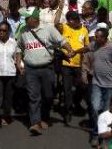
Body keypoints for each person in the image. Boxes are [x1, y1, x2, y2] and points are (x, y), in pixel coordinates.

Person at [15, 7, 75, 135]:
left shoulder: (48, 29)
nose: (25, 20)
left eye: (27, 18)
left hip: (47, 68)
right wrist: (19, 63)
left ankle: (44, 116)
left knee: (48, 95)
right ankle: (35, 123)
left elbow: (62, 41)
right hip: (30, 69)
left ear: (34, 19)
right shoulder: (24, 31)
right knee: (33, 96)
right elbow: (19, 48)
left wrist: (69, 49)